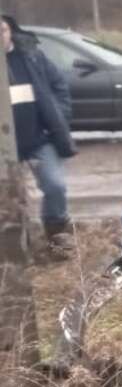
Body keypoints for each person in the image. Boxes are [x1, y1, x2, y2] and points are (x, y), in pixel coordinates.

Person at [3, 14, 77, 254]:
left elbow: (59, 87)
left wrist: (58, 118)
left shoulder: (31, 56)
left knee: (55, 186)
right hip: (4, 147)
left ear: (11, 32)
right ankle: (14, 246)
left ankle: (57, 237)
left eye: (2, 30)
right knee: (9, 197)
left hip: (37, 139)